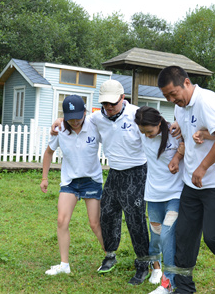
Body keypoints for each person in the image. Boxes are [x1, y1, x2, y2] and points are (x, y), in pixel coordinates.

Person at [157, 66, 215, 293]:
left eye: (173, 94)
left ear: (186, 83)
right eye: (166, 97)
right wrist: (179, 149)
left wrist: (203, 167)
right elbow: (190, 128)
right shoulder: (181, 106)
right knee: (184, 236)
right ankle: (184, 288)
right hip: (192, 183)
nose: (171, 99)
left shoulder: (207, 100)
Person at [51, 80, 150, 285]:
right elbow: (76, 119)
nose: (109, 107)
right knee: (107, 214)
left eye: (113, 102)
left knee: (135, 219)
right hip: (114, 172)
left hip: (137, 171)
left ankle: (143, 264)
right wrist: (60, 119)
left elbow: (158, 127)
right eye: (105, 103)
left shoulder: (137, 114)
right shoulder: (97, 117)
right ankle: (110, 255)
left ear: (123, 98)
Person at [40, 95, 104, 276]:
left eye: (78, 117)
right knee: (62, 220)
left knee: (94, 223)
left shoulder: (94, 125)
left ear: (85, 112)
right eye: (70, 118)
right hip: (69, 181)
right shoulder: (60, 129)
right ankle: (64, 264)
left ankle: (109, 256)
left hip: (92, 180)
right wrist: (45, 178)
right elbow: (48, 153)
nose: (75, 122)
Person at [134, 106, 185, 294]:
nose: (146, 135)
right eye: (143, 132)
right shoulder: (141, 133)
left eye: (149, 131)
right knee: (155, 235)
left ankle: (169, 282)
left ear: (159, 123)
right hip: (153, 195)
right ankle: (157, 268)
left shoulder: (175, 132)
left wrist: (180, 154)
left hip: (175, 194)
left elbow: (194, 137)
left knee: (166, 235)